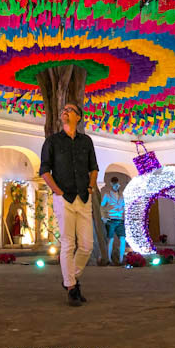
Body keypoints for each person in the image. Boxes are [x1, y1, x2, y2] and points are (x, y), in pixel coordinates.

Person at [40, 102, 98, 307]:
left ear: (78, 117)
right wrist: (58, 191)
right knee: (68, 243)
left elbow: (94, 168)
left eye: (69, 110)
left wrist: (91, 187)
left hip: (84, 197)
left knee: (87, 245)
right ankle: (72, 288)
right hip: (63, 198)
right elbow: (45, 170)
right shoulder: (52, 141)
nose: (64, 111)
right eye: (63, 109)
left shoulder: (86, 141)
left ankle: (69, 278)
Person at [101, 177, 126, 265]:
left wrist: (124, 216)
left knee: (123, 239)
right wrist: (103, 217)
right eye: (114, 183)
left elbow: (124, 206)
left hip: (120, 220)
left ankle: (121, 259)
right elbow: (102, 206)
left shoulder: (122, 195)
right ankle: (109, 260)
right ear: (111, 184)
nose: (116, 185)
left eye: (117, 183)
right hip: (111, 220)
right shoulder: (107, 195)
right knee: (110, 239)